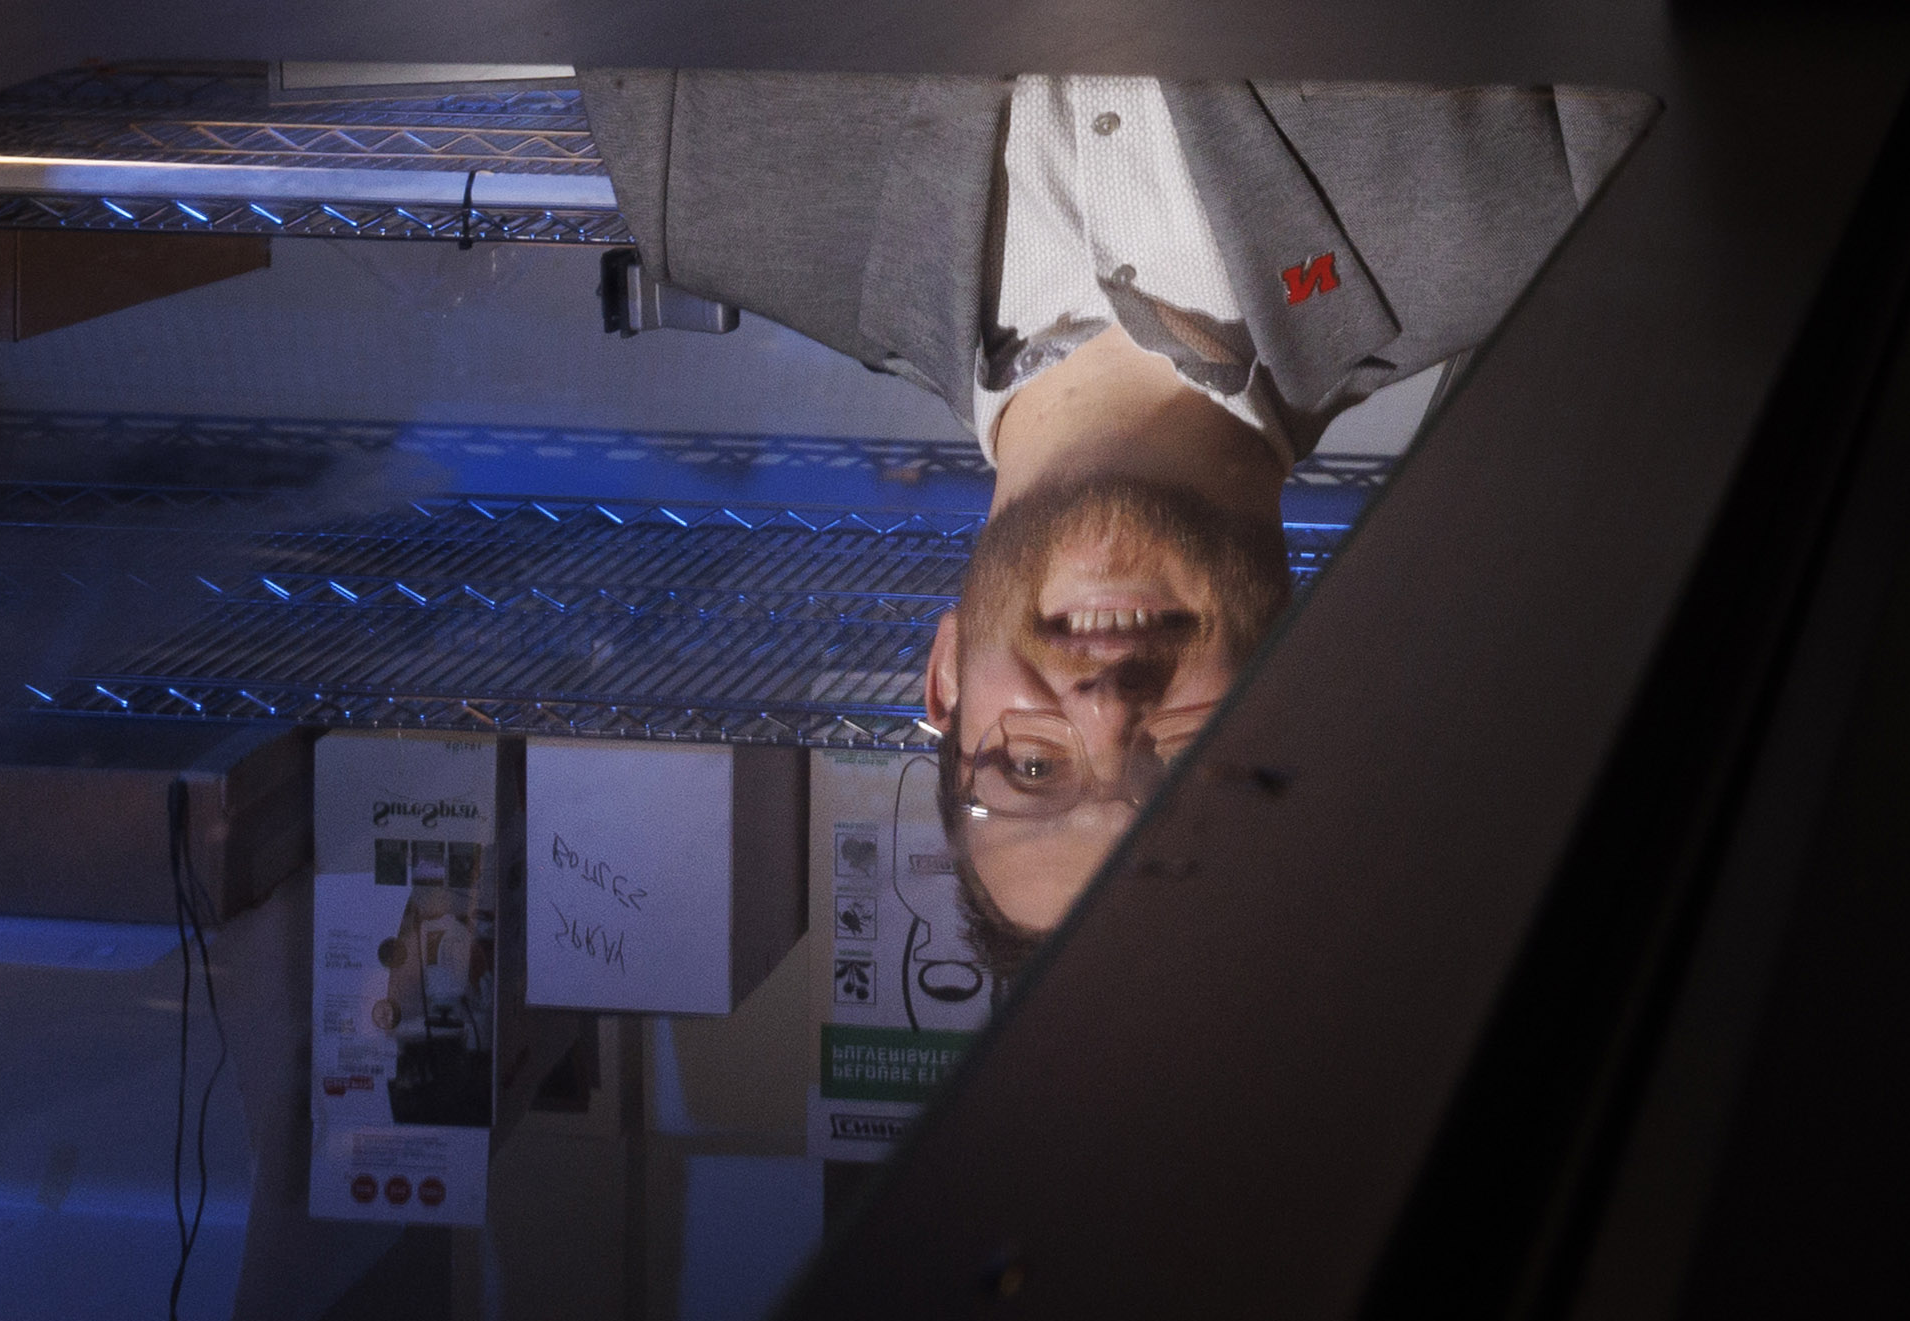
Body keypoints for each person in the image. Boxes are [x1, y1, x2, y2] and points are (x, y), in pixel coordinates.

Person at [576, 66, 1654, 943]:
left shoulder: (705, 180)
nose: (1103, 708)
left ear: (946, 680)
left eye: (1033, 766)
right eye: (1175, 768)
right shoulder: (1544, 202)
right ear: (1290, 697)